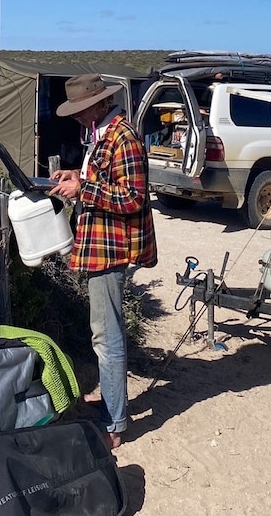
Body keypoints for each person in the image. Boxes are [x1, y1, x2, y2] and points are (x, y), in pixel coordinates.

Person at [50, 74, 158, 450]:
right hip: (103, 243)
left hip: (112, 247)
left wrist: (83, 188)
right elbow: (110, 182)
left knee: (107, 336)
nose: (78, 118)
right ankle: (113, 403)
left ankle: (114, 423)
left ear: (99, 104)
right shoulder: (104, 134)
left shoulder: (122, 137)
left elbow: (133, 198)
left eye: (82, 111)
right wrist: (78, 176)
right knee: (104, 332)